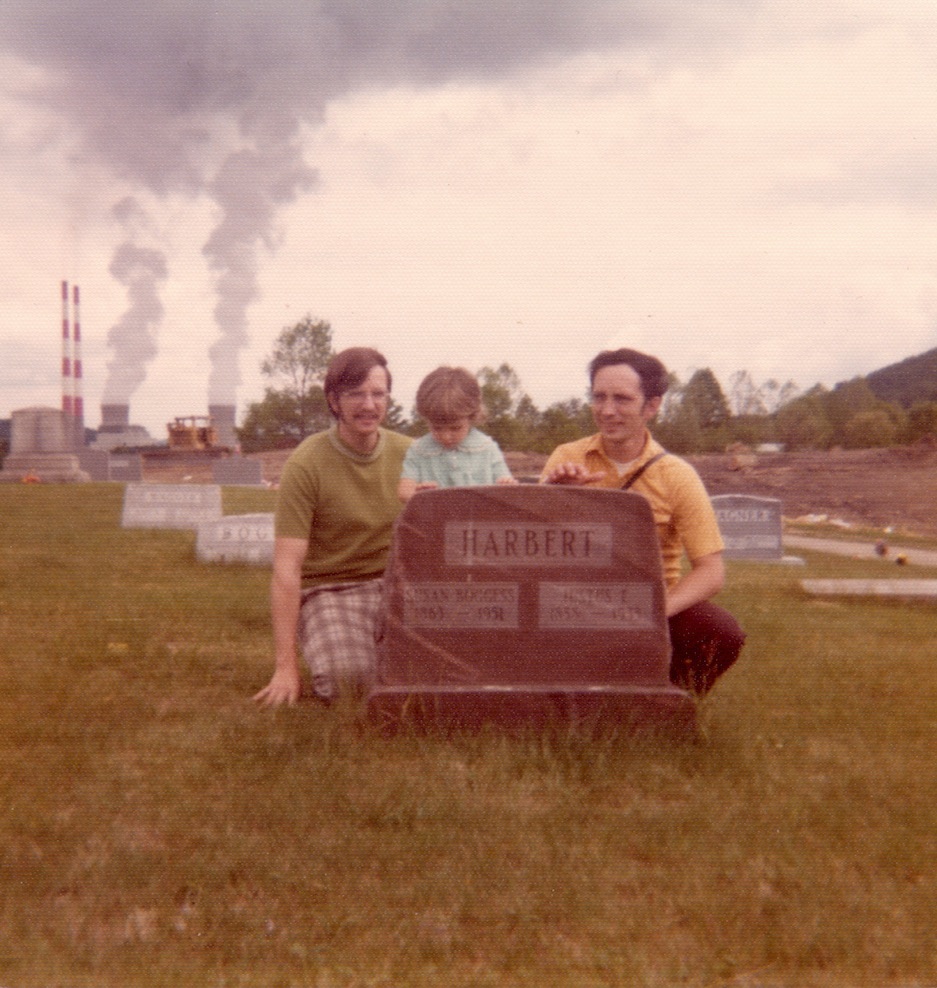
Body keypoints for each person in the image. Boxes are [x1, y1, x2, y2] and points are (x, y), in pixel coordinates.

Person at [540, 347, 745, 694]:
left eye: (622, 399)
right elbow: (531, 556)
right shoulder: (567, 457)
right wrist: (558, 499)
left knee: (720, 632)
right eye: (599, 397)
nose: (607, 411)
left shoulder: (678, 476)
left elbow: (711, 572)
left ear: (652, 406)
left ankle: (670, 704)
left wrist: (652, 613)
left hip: (650, 605)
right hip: (571, 605)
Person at [253, 347, 412, 707]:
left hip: (396, 586)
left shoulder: (413, 454)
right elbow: (286, 568)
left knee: (445, 668)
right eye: (355, 394)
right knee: (350, 681)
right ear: (334, 400)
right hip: (331, 590)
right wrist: (285, 666)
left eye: (378, 394)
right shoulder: (307, 463)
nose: (368, 405)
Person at [397, 366, 517, 502]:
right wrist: (418, 494)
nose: (446, 437)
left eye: (455, 428)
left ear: (472, 416)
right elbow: (403, 492)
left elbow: (508, 489)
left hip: (479, 520)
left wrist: (506, 485)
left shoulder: (487, 448)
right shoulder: (418, 450)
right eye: (437, 428)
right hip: (435, 521)